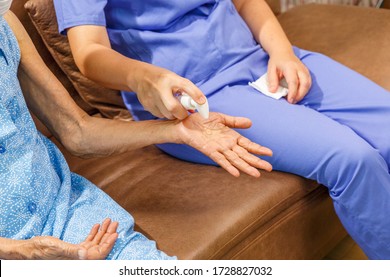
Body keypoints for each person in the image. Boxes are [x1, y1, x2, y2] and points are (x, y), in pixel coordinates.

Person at [53, 0, 390, 259]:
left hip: (258, 59)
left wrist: (282, 52)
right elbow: (88, 52)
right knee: (352, 160)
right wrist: (145, 78)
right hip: (195, 100)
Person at [0, 1, 273, 260]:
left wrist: (177, 131)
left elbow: (77, 131)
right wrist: (22, 252)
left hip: (72, 213)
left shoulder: (6, 22)